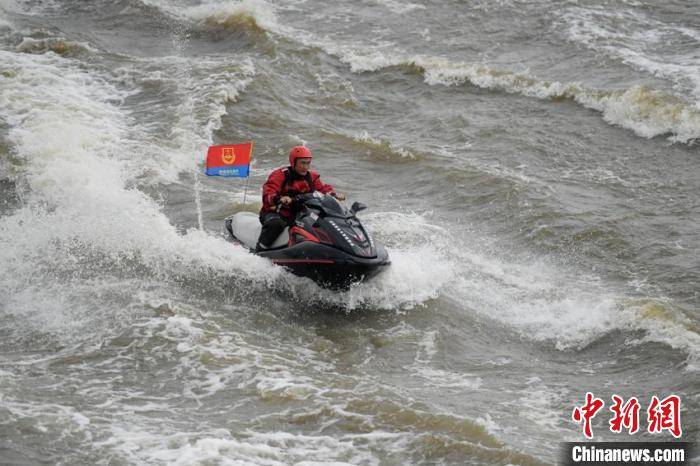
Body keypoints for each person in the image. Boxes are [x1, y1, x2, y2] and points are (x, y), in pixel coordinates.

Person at [256, 146, 345, 251]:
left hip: (298, 215)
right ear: (293, 162)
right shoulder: (279, 175)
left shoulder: (312, 177)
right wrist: (279, 198)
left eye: (308, 163)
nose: (306, 167)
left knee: (323, 220)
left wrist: (334, 195)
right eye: (303, 163)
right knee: (276, 224)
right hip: (276, 214)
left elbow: (323, 189)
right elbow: (268, 194)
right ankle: (259, 250)